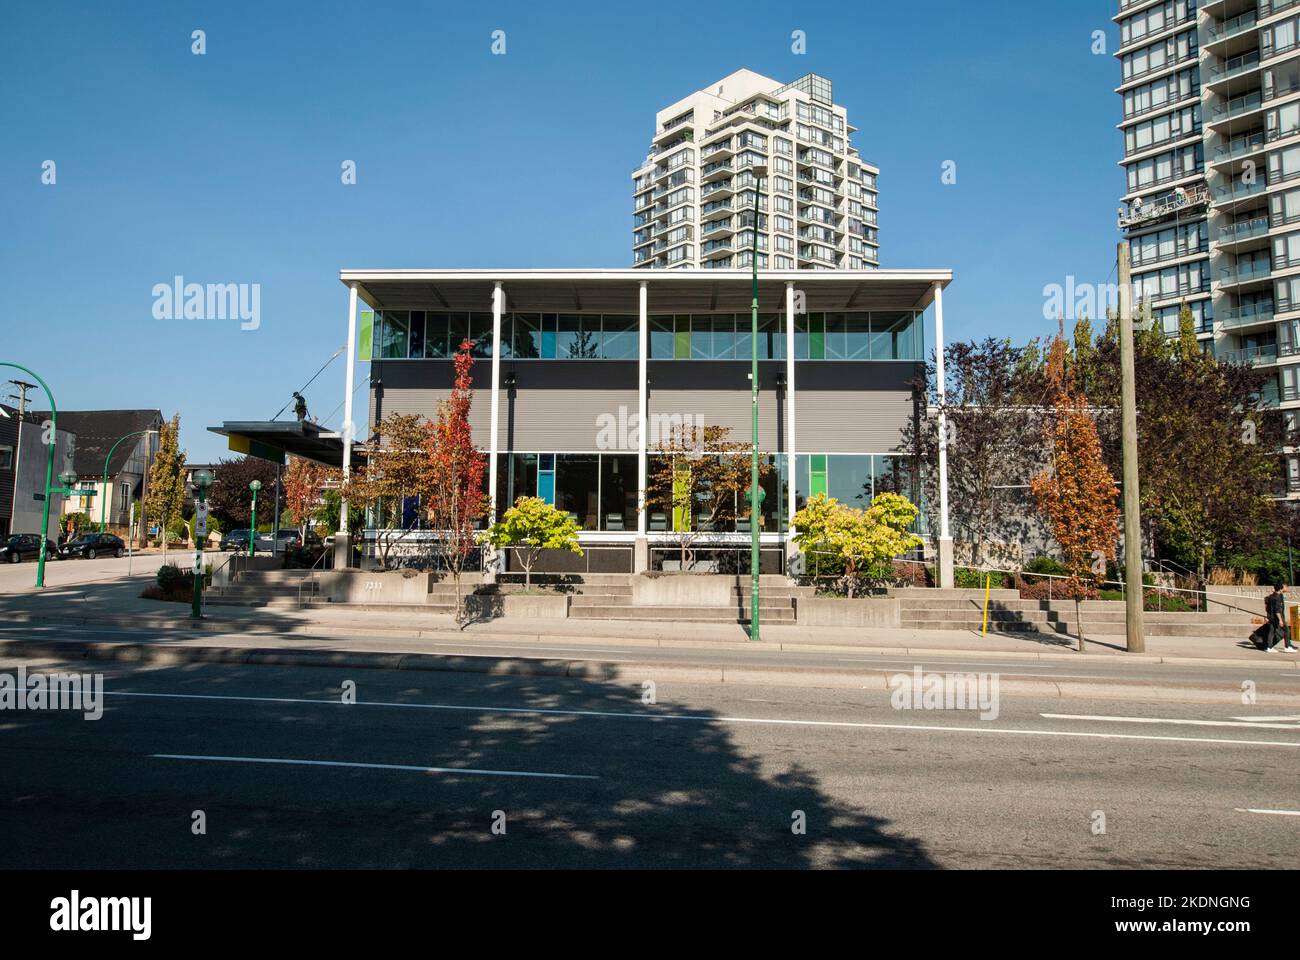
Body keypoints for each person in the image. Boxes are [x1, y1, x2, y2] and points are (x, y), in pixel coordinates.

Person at [1264, 583, 1298, 652]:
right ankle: (1287, 647)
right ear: (1280, 589)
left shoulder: (1271, 596)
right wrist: (1280, 620)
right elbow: (1277, 611)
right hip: (1277, 617)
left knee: (1272, 631)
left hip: (1271, 617)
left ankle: (1269, 647)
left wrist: (1267, 616)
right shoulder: (1277, 598)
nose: (1286, 588)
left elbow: (1266, 606)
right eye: (1284, 587)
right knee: (1286, 630)